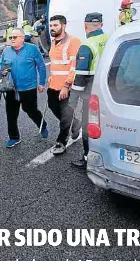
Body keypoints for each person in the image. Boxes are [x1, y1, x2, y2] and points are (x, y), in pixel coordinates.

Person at [69, 12, 109, 169]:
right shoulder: (109, 39)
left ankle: (88, 158)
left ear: (85, 26)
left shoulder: (87, 45)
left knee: (88, 126)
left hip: (91, 93)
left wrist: (73, 98)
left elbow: (80, 76)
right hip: (109, 90)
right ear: (102, 25)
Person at [0, 28, 49, 148]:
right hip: (11, 88)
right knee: (11, 113)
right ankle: (14, 137)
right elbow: (0, 67)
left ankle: (42, 125)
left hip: (28, 87)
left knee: (30, 110)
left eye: (15, 37)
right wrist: (2, 71)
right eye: (10, 37)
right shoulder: (6, 51)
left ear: (22, 38)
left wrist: (41, 82)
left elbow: (41, 66)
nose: (12, 39)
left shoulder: (32, 49)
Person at [46, 15, 82, 156]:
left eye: (55, 25)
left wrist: (67, 85)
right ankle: (75, 122)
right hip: (53, 85)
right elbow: (56, 63)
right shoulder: (54, 42)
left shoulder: (73, 42)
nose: (52, 28)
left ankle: (61, 141)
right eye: (51, 26)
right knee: (53, 107)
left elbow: (74, 67)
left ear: (64, 26)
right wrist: (51, 76)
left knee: (66, 115)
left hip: (68, 87)